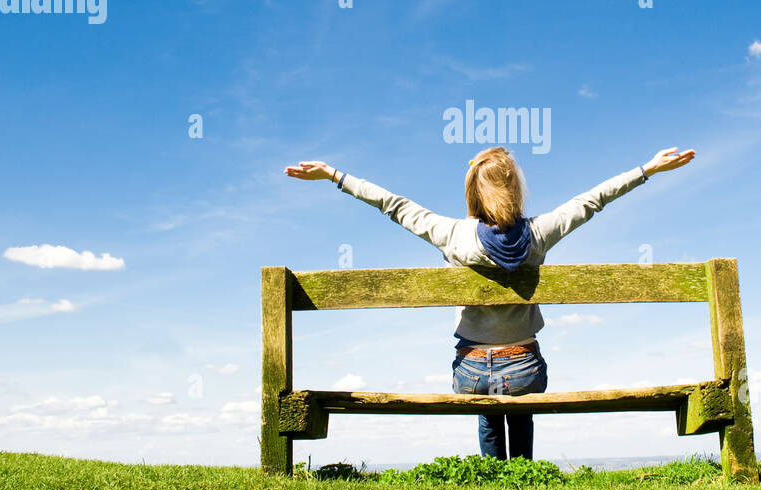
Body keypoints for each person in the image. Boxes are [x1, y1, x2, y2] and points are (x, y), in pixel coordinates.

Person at [284, 145, 695, 460]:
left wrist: (334, 175)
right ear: (514, 188)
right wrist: (647, 170)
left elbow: (393, 205)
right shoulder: (540, 233)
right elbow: (591, 201)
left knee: (487, 405)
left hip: (471, 373)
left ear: (472, 192)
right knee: (519, 405)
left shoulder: (451, 234)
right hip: (525, 370)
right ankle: (521, 473)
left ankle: (493, 476)